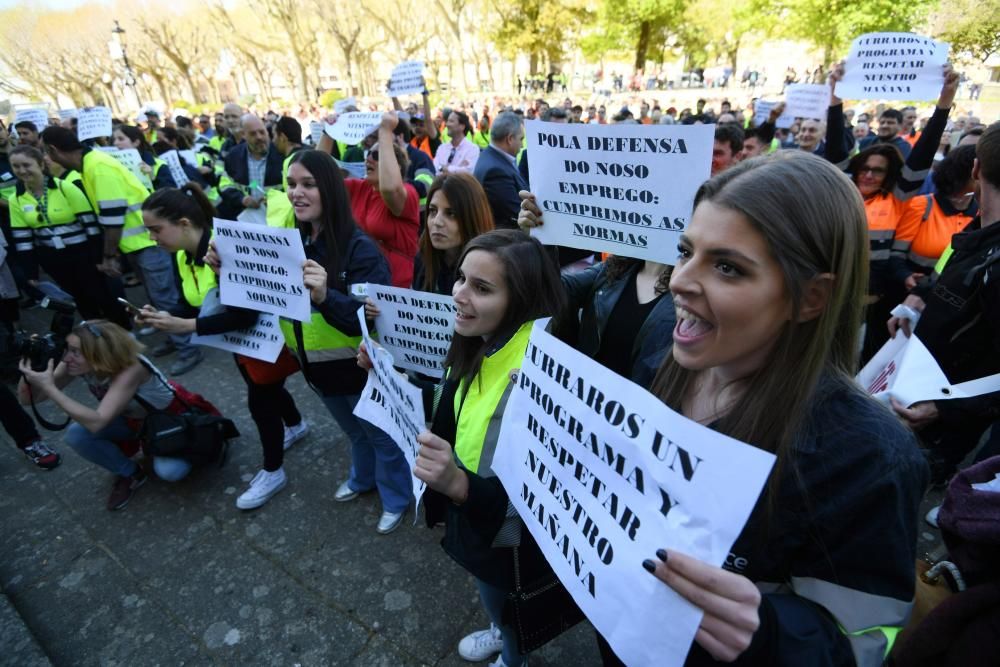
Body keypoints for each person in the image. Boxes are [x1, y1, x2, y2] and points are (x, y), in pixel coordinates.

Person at [582, 152, 929, 666]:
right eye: (685, 251)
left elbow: (869, 641)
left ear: (811, 297)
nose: (679, 280)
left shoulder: (866, 456)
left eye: (727, 267)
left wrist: (771, 633)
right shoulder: (662, 360)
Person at [362, 229, 567, 667]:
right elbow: (450, 405)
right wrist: (388, 377)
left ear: (523, 298)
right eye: (460, 279)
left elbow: (541, 498)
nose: (458, 295)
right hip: (473, 514)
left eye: (482, 288)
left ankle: (513, 656)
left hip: (504, 533)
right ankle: (502, 631)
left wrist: (459, 485)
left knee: (507, 600)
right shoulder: (481, 340)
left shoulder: (541, 373)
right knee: (491, 593)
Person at [209, 149, 412, 532]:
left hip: (359, 370)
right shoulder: (290, 243)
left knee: (381, 437)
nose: (296, 193)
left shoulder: (360, 248)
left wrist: (324, 295)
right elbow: (256, 298)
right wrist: (227, 271)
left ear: (331, 190)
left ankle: (396, 497)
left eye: (308, 184)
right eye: (290, 184)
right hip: (315, 368)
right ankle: (362, 478)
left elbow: (373, 322)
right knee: (354, 432)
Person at [137, 184, 308, 506]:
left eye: (156, 230)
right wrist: (162, 316)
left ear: (184, 224)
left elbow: (245, 314)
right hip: (243, 343)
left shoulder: (228, 246)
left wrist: (187, 325)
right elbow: (193, 303)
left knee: (260, 403)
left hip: (268, 336)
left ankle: (274, 471)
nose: (152, 238)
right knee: (263, 389)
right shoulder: (183, 255)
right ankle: (297, 425)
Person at [887, 121, 1000, 487]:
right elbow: (950, 263)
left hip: (948, 420)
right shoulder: (978, 228)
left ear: (976, 170)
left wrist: (946, 407)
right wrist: (919, 298)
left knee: (909, 482)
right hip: (918, 381)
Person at [825, 63, 958, 360]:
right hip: (835, 296)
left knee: (866, 360)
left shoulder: (897, 198)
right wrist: (835, 98)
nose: (869, 175)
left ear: (889, 176)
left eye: (878, 171)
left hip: (877, 300)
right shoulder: (845, 191)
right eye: (865, 168)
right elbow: (835, 148)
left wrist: (944, 104)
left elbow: (922, 156)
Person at [17, 320, 200, 510]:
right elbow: (30, 399)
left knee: (171, 472)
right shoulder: (79, 363)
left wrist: (49, 387)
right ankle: (131, 473)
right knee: (77, 435)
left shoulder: (132, 369)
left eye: (75, 352)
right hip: (132, 420)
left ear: (99, 354)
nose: (66, 359)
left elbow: (97, 422)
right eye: (68, 349)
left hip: (170, 420)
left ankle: (190, 448)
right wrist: (29, 370)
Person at [7, 145, 130, 328]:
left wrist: (100, 258)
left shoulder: (65, 188)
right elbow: (23, 240)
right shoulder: (16, 198)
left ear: (41, 164)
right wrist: (31, 274)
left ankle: (124, 332)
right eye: (16, 166)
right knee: (80, 298)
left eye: (27, 165)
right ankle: (98, 336)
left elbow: (91, 226)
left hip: (84, 254)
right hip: (53, 259)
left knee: (102, 294)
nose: (22, 171)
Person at [342, 113, 420, 289]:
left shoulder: (408, 193)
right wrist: (329, 132)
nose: (368, 158)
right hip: (361, 285)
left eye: (376, 156)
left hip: (395, 291)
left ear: (395, 167)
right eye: (369, 154)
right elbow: (320, 180)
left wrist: (385, 130)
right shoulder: (360, 188)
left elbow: (390, 189)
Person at [889, 144, 978, 289]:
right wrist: (904, 274)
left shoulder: (981, 214)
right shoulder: (922, 205)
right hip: (911, 289)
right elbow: (896, 253)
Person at [415, 172, 495, 295]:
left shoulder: (493, 267)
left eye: (451, 213)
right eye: (432, 211)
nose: (437, 222)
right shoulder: (423, 257)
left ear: (473, 218)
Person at [218, 114, 284, 220]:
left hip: (278, 218)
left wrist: (274, 200)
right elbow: (225, 185)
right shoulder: (233, 156)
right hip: (246, 219)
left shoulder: (281, 154)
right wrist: (242, 199)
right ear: (243, 134)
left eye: (262, 132)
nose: (259, 137)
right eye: (253, 134)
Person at [473, 111, 527, 230]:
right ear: (510, 139)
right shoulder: (496, 172)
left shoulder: (490, 156)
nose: (522, 145)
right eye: (521, 139)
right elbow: (518, 215)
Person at [433, 111, 480, 175]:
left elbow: (468, 172)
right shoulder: (442, 148)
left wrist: (444, 168)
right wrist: (458, 168)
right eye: (447, 121)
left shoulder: (472, 149)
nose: (447, 124)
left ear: (462, 126)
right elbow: (435, 168)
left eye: (451, 121)